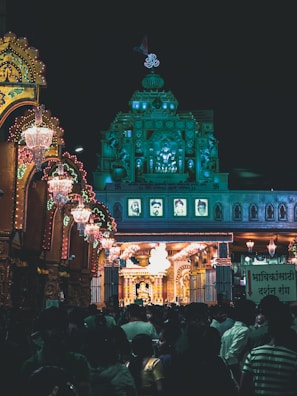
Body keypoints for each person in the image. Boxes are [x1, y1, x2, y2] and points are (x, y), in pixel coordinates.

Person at [18, 306, 91, 396]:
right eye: (51, 328)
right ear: (43, 332)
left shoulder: (79, 362)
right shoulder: (30, 365)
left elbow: (84, 391)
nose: (56, 333)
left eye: (61, 328)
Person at [239, 302, 297, 395]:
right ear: (288, 331)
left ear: (269, 331)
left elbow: (243, 387)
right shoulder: (293, 358)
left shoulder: (254, 354)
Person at [220, 298, 256, 385]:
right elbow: (231, 357)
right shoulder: (244, 331)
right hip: (237, 380)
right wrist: (241, 381)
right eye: (253, 312)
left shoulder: (227, 332)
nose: (255, 316)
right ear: (248, 313)